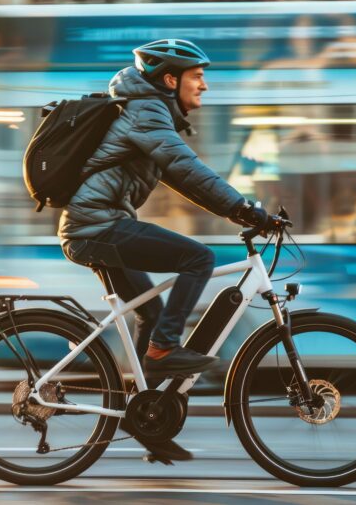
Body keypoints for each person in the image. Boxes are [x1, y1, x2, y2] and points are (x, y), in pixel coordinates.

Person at [58, 40, 273, 459]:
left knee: (151, 312)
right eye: (198, 77)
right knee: (198, 258)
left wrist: (237, 211)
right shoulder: (147, 111)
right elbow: (186, 167)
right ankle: (163, 350)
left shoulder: (150, 113)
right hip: (95, 227)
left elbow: (185, 180)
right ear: (170, 79)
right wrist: (244, 207)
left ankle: (145, 419)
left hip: (98, 226)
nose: (204, 86)